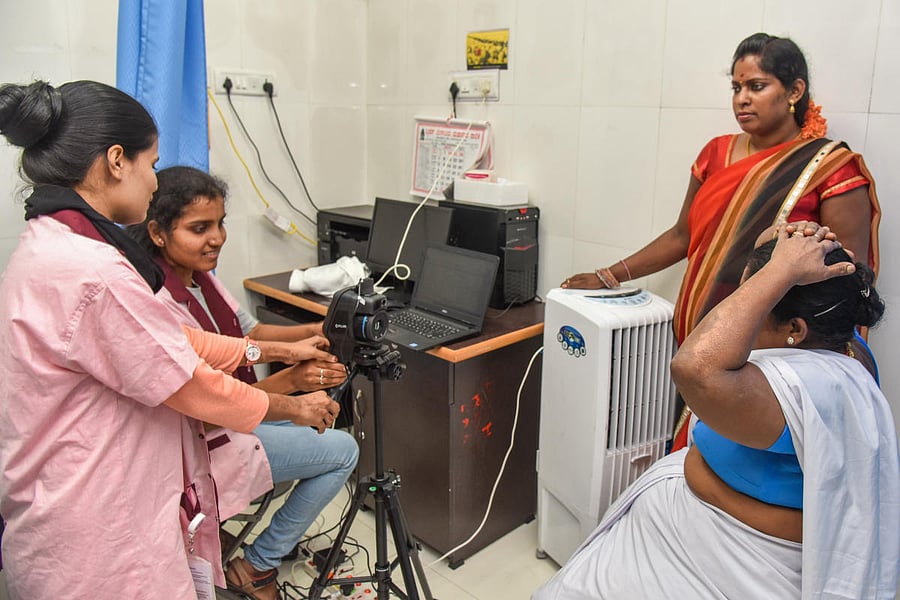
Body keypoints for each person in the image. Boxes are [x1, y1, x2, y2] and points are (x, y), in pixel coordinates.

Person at [0, 80, 341, 599]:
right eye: (151, 165)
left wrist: (279, 349)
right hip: (101, 539)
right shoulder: (94, 274)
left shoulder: (52, 248)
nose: (154, 184)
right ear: (117, 161)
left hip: (68, 510)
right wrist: (294, 403)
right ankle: (258, 564)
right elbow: (193, 384)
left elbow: (178, 342)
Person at [534, 226, 899, 598]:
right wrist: (769, 252)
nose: (743, 307)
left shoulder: (804, 387)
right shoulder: (844, 346)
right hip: (679, 527)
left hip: (732, 558)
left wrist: (779, 271)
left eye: (758, 297)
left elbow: (692, 367)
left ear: (795, 329)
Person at [559, 32, 881, 448]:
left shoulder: (830, 168)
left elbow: (847, 274)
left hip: (776, 349)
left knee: (744, 464)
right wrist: (608, 275)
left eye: (757, 86)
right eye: (736, 87)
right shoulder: (716, 153)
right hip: (699, 335)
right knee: (697, 454)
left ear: (794, 91)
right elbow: (683, 235)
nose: (742, 99)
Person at [127, 165, 359, 600]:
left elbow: (247, 336)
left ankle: (248, 554)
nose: (216, 238)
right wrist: (292, 380)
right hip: (210, 438)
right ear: (158, 234)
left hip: (237, 417)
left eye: (220, 224)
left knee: (321, 423)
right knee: (344, 452)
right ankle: (257, 564)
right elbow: (213, 400)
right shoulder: (158, 302)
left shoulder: (200, 278)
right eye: (200, 228)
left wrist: (318, 330)